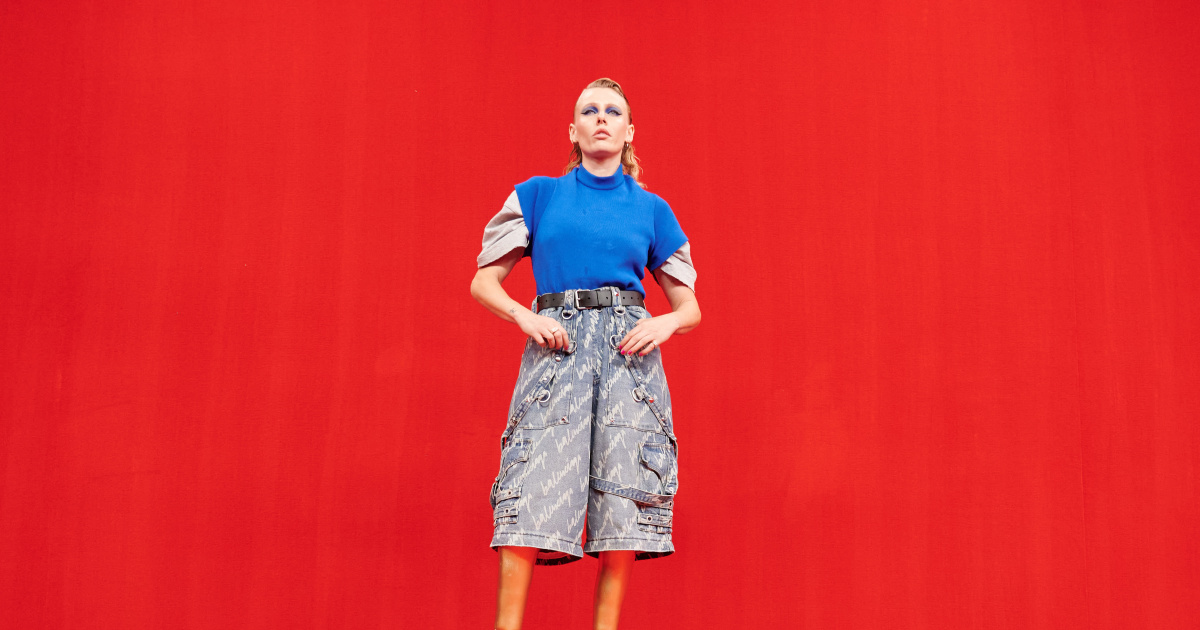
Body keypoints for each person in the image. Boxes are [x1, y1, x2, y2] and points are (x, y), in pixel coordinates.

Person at [470, 78, 701, 630]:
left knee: (623, 499)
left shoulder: (652, 209)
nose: (601, 118)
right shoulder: (538, 195)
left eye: (613, 111)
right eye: (589, 111)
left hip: (628, 359)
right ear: (572, 131)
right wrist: (526, 316)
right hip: (558, 350)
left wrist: (665, 322)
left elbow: (690, 307)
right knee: (531, 487)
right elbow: (483, 282)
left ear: (629, 132)